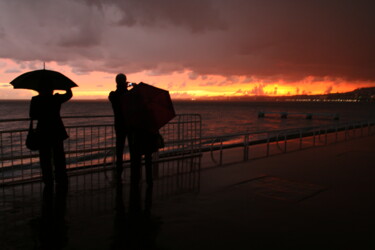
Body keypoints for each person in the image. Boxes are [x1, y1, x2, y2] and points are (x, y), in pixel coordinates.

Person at [29, 87, 72, 186]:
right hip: (56, 131)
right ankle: (61, 178)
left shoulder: (35, 99)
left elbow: (32, 115)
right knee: (59, 157)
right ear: (51, 89)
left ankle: (47, 180)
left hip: (43, 132)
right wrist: (67, 87)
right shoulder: (56, 98)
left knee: (45, 158)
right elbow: (68, 95)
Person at [109, 73, 130, 180]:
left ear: (116, 82)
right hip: (130, 124)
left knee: (119, 148)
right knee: (133, 147)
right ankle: (135, 168)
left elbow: (116, 97)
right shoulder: (128, 94)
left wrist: (124, 88)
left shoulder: (112, 95)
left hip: (119, 124)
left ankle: (119, 168)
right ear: (124, 81)